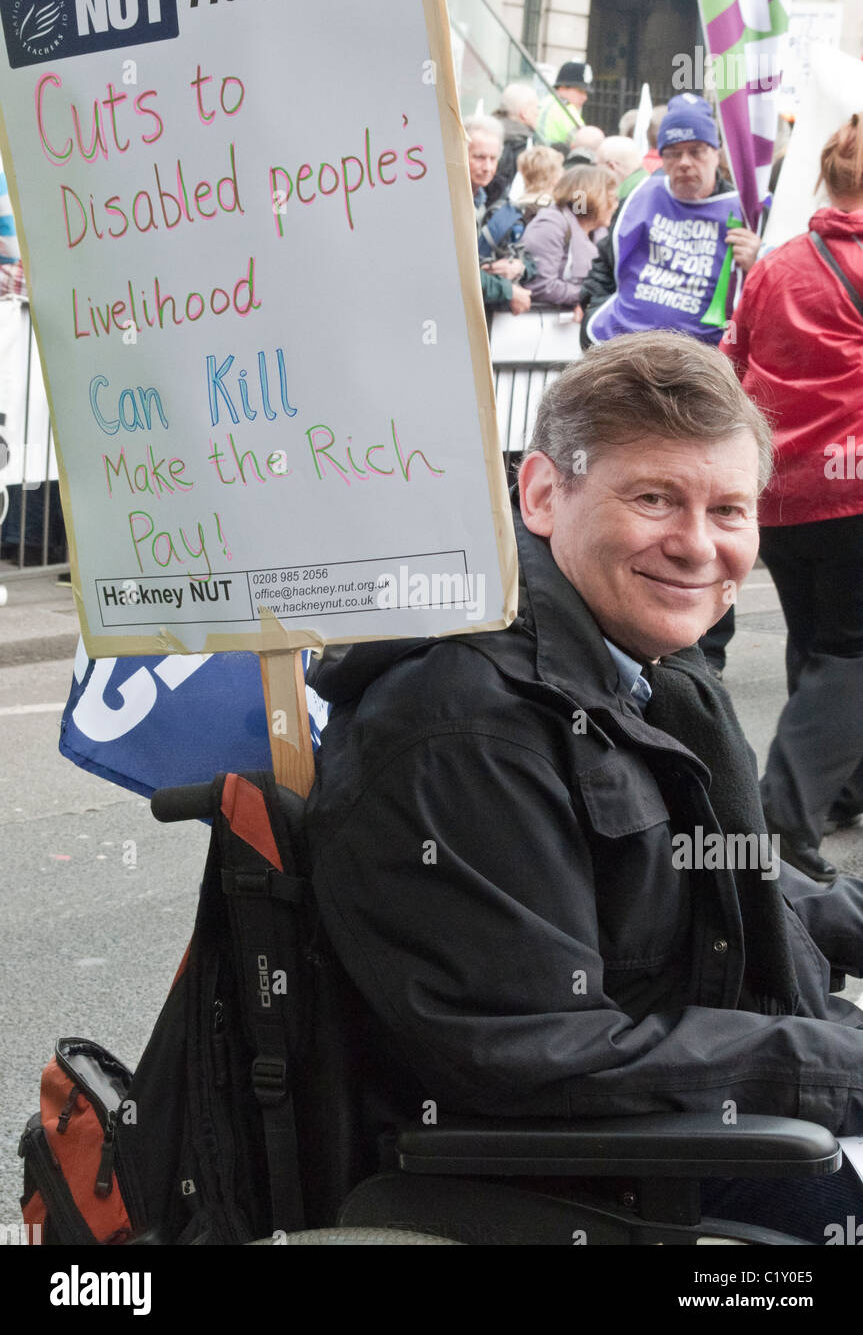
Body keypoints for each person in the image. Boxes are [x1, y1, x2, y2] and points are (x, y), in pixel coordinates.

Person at [306, 332, 863, 1244]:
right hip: (618, 1170)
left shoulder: (634, 668)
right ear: (539, 494)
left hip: (697, 1106)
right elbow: (535, 1050)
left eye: (728, 510)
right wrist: (838, 1060)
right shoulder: (466, 727)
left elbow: (723, 871)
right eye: (653, 499)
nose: (696, 545)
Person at [722, 113, 863, 885]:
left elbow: (732, 355)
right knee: (849, 653)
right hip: (852, 489)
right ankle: (786, 816)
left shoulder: (776, 264)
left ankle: (837, 791)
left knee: (818, 643)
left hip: (781, 488)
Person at [579, 93, 761, 348]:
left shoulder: (744, 210)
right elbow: (605, 265)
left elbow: (772, 301)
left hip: (700, 367)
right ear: (662, 158)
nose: (684, 162)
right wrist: (592, 307)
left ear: (716, 154)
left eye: (696, 151)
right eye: (674, 153)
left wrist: (760, 263)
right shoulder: (641, 195)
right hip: (624, 354)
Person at [521, 164, 617, 307]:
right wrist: (585, 296)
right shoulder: (551, 225)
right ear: (593, 197)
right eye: (612, 198)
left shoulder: (599, 231)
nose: (615, 205)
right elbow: (541, 286)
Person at [465, 115, 531, 316]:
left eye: (493, 159)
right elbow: (454, 270)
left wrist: (518, 267)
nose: (487, 167)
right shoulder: (445, 200)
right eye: (478, 157)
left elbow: (532, 259)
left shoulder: (499, 201)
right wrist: (507, 290)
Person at [485, 83, 540, 206]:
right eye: (536, 107)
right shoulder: (524, 145)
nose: (538, 113)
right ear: (524, 113)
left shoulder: (484, 134)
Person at [536, 61, 592, 147]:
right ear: (563, 87)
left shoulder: (544, 102)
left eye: (586, 93)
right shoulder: (567, 111)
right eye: (580, 91)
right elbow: (586, 145)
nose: (585, 97)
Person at [596, 134, 647, 200]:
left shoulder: (616, 199)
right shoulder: (651, 182)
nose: (595, 172)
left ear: (611, 167)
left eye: (596, 166)